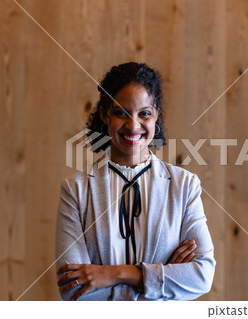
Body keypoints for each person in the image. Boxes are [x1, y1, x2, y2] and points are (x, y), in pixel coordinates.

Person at [55, 62, 215, 301]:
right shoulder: (76, 190)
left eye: (144, 113)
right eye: (121, 112)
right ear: (104, 114)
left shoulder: (184, 185)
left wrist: (114, 274)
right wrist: (161, 279)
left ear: (156, 115)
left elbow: (202, 276)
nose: (133, 125)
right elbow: (75, 289)